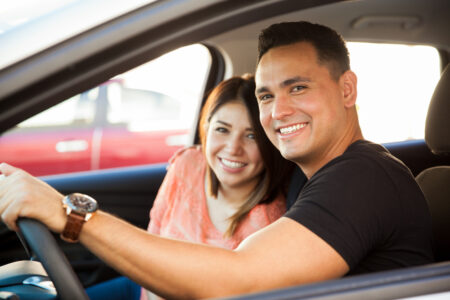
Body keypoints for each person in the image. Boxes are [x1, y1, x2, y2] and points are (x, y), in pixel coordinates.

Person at [0, 21, 434, 299]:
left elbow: (238, 281)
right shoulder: (319, 179)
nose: (277, 111)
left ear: (347, 90)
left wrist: (69, 214)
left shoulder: (364, 177)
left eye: (297, 88)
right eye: (267, 95)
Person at [87, 74, 294, 300]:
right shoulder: (188, 164)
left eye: (252, 135)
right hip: (142, 287)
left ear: (270, 142)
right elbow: (154, 234)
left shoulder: (272, 221)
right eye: (222, 130)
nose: (233, 148)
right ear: (206, 128)